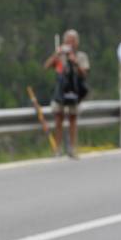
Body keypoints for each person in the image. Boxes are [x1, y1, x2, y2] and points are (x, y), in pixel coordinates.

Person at [43, 29, 90, 158]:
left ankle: (72, 148)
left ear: (77, 43)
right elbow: (46, 67)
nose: (70, 43)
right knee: (58, 118)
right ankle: (57, 148)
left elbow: (85, 74)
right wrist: (56, 54)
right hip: (61, 92)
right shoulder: (60, 56)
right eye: (68, 41)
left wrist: (75, 62)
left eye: (73, 41)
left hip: (74, 92)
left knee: (73, 119)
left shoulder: (81, 56)